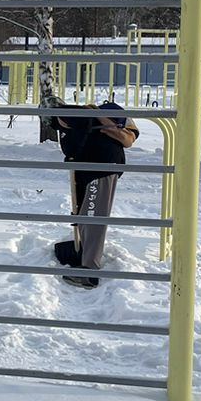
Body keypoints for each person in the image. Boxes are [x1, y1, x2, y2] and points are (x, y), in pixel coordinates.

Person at [53, 103, 139, 287]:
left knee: (93, 217)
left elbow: (129, 139)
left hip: (100, 167)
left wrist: (98, 117)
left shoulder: (92, 113)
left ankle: (89, 271)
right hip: (93, 167)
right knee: (86, 213)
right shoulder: (85, 115)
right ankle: (85, 252)